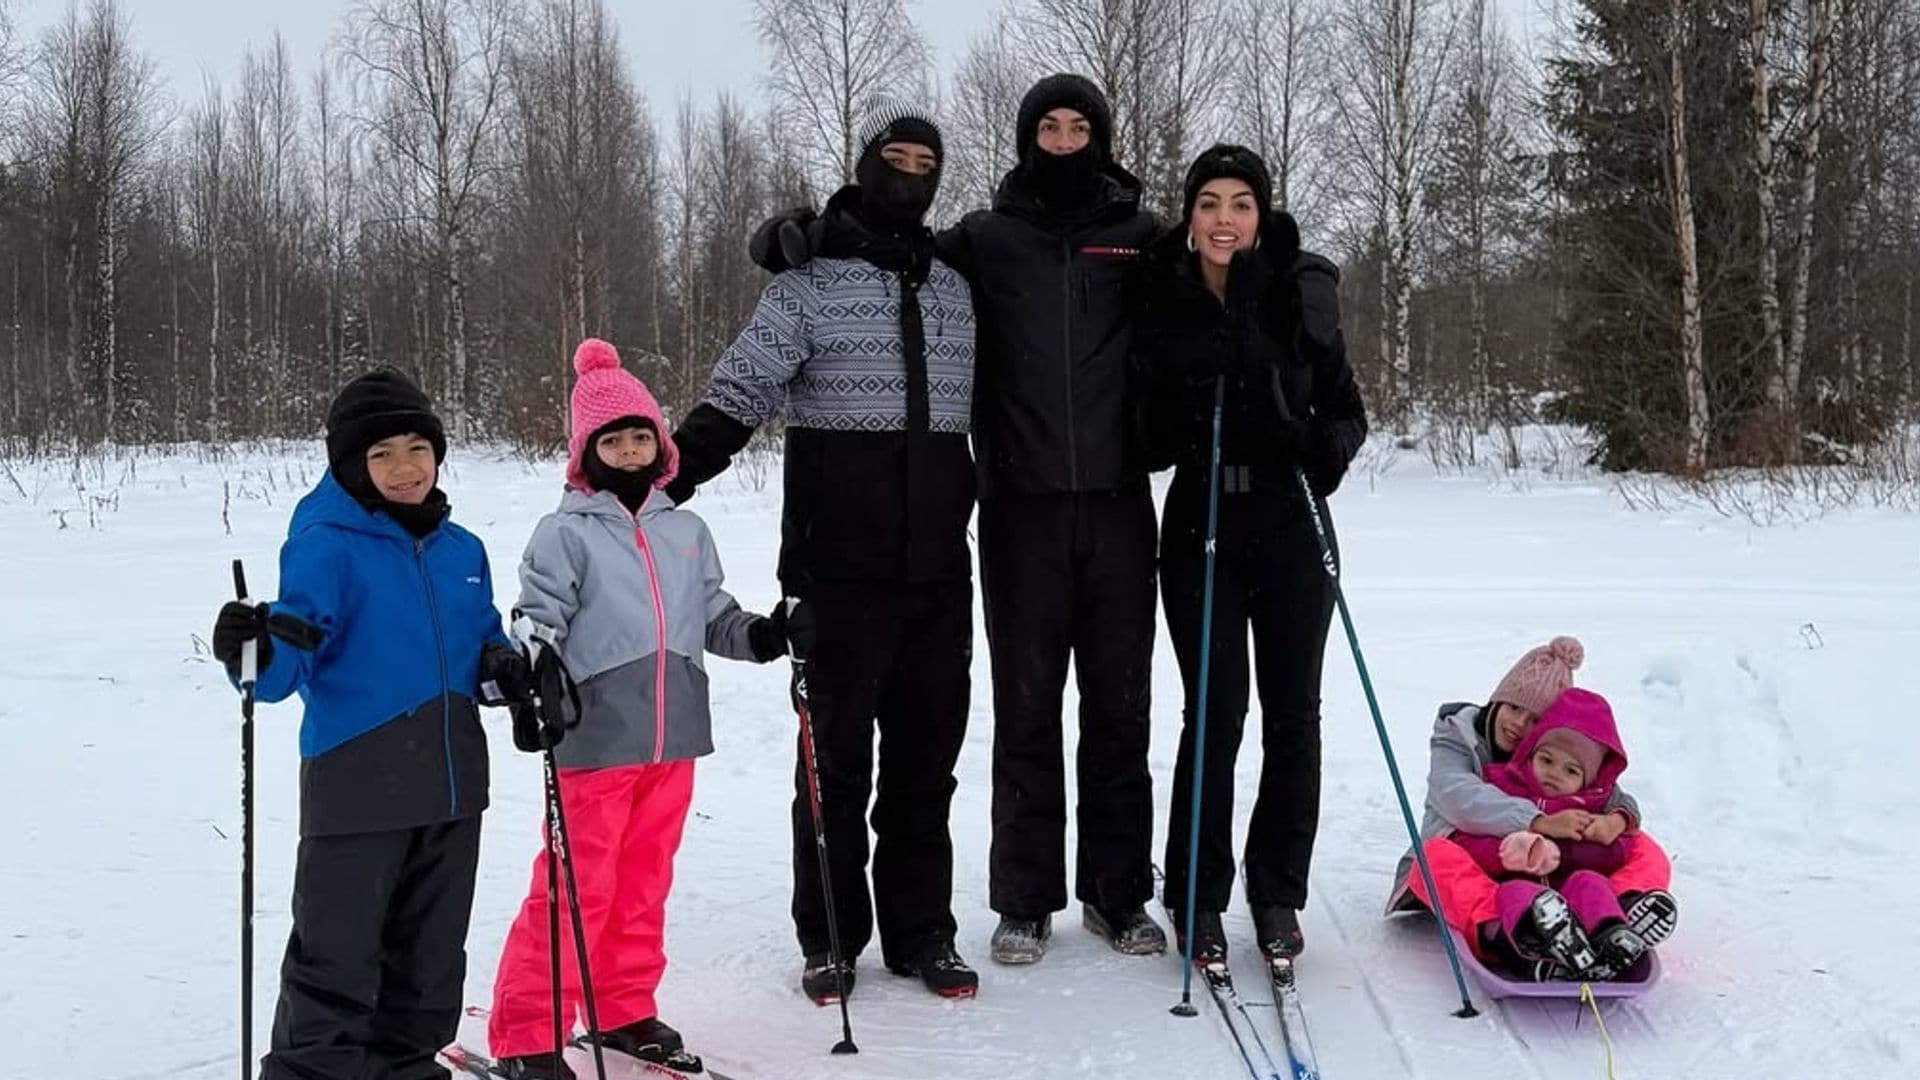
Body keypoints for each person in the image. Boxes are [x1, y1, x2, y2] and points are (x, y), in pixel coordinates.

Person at [748, 74, 1166, 966]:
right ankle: (1023, 899)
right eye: (1047, 124)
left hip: (1122, 506)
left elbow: (1221, 269)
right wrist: (800, 235)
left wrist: (1290, 262)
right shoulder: (984, 238)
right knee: (1025, 707)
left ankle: (1120, 892)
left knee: (1122, 708)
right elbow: (886, 247)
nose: (1062, 137)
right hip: (1019, 509)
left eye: (1077, 124)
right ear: (1025, 138)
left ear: (1099, 134)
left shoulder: (1141, 237)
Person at [664, 97, 982, 1001]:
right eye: (896, 156)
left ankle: (925, 933)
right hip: (836, 572)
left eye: (927, 161)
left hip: (937, 572)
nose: (910, 173)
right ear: (866, 161)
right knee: (833, 769)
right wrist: (664, 482)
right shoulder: (805, 283)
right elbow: (741, 391)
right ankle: (832, 936)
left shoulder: (957, 287)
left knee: (926, 767)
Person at [485, 341, 805, 1080]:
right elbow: (537, 617)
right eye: (613, 438)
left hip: (673, 738)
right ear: (586, 449)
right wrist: (532, 663)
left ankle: (622, 1005)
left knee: (643, 882)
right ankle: (529, 1031)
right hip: (594, 739)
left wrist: (763, 634)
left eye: (640, 436)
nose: (629, 450)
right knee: (573, 888)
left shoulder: (684, 530)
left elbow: (711, 612)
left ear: (660, 445)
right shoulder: (565, 533)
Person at [209, 368, 525, 1080]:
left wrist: (505, 667)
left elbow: (479, 640)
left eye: (418, 447)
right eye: (382, 454)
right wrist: (248, 647)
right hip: (357, 788)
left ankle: (407, 1071)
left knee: (430, 965)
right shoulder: (327, 544)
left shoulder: (462, 550)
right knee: (338, 962)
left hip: (451, 790)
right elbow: (283, 671)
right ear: (352, 465)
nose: (405, 467)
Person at [1133, 144, 1368, 966]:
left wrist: (1308, 443)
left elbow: (1347, 413)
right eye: (1208, 203)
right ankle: (1197, 895)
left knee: (1293, 717)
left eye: (1240, 203)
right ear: (1189, 216)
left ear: (1259, 215)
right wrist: (1173, 406)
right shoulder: (1161, 295)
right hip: (1202, 518)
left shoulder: (1296, 290)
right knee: (1216, 714)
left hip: (1291, 519)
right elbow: (1145, 435)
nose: (1224, 219)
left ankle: (1276, 893)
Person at [1387, 637, 1679, 975]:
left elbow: (1609, 791)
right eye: (1514, 708)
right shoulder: (1457, 737)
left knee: (1643, 847)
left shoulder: (1550, 755)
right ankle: (1504, 930)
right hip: (1479, 866)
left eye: (1533, 720)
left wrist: (1617, 819)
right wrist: (1539, 822)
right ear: (1497, 700)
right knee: (1432, 857)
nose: (1517, 725)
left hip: (1561, 878)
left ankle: (1618, 917)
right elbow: (1458, 797)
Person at [1442, 688, 1659, 978]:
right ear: (1529, 754)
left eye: (1570, 771)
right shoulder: (1503, 786)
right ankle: (1535, 953)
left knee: (1590, 881)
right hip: (1516, 890)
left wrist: (1597, 835)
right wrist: (1509, 852)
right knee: (1516, 892)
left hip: (1571, 889)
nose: (1555, 774)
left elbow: (1619, 840)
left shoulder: (1593, 803)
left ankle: (1613, 937)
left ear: (1588, 779)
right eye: (1546, 761)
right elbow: (1466, 838)